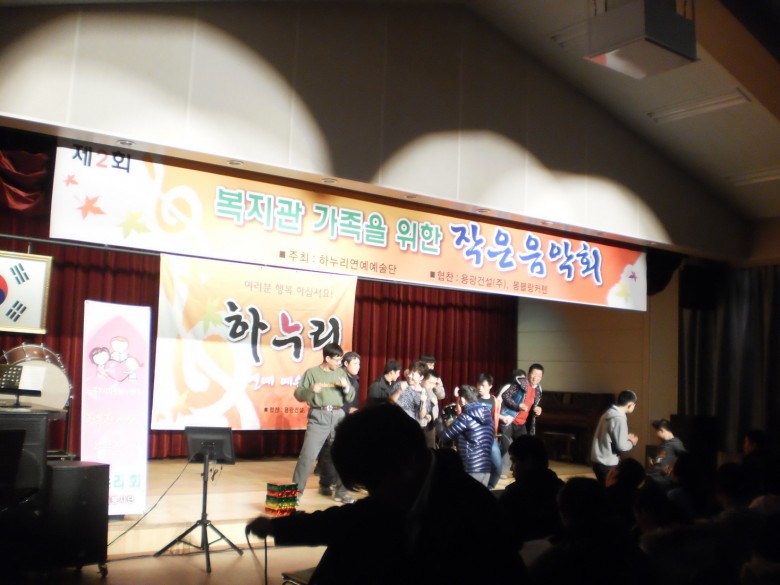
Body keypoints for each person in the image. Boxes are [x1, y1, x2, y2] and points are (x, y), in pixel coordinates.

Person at [247, 404, 528, 585]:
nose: (373, 495)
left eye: (373, 483)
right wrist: (277, 527)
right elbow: (348, 520)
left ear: (405, 463)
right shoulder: (406, 486)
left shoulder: (474, 514)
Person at [291, 343, 356, 504]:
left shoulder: (341, 373)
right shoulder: (312, 373)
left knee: (343, 454)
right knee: (307, 456)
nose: (339, 363)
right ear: (327, 358)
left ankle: (341, 492)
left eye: (340, 360)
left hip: (338, 415)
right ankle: (295, 494)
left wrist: (346, 387)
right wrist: (310, 390)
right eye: (336, 360)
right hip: (319, 416)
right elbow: (298, 394)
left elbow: (350, 397)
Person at [499, 435, 564, 547]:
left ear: (529, 461)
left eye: (514, 461)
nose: (512, 468)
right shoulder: (561, 488)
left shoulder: (514, 495)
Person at [317, 351, 361, 496]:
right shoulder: (337, 377)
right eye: (355, 363)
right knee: (331, 453)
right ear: (346, 363)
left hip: (347, 421)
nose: (358, 366)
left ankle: (336, 488)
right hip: (334, 418)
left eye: (359, 364)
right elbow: (332, 399)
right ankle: (328, 485)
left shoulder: (354, 381)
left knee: (341, 453)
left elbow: (353, 400)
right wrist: (348, 409)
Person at [440, 384, 495, 486]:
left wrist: (439, 423)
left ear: (462, 399)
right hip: (486, 468)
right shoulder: (488, 415)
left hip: (471, 467)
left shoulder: (465, 417)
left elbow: (445, 436)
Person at [590, 389, 639, 485]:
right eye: (634, 404)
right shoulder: (619, 418)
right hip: (607, 463)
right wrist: (632, 442)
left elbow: (609, 435)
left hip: (598, 461)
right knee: (612, 490)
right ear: (630, 404)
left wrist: (625, 437)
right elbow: (621, 446)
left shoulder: (609, 412)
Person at [476, 372, 503, 488]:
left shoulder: (494, 401)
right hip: (475, 437)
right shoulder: (473, 398)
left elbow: (495, 417)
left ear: (490, 386)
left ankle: (490, 487)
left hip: (489, 437)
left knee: (498, 465)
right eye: (478, 384)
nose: (480, 388)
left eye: (483, 385)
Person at [646, 418, 686, 490]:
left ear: (662, 430)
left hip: (661, 481)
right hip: (652, 477)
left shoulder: (676, 443)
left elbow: (686, 459)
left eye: (656, 431)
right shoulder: (663, 444)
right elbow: (658, 458)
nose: (656, 434)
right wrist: (651, 460)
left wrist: (673, 471)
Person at [393, 360, 429, 426]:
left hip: (411, 427)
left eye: (413, 374)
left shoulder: (424, 393)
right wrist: (399, 391)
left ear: (421, 377)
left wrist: (423, 402)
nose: (409, 376)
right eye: (409, 372)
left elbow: (421, 415)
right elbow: (390, 402)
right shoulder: (400, 385)